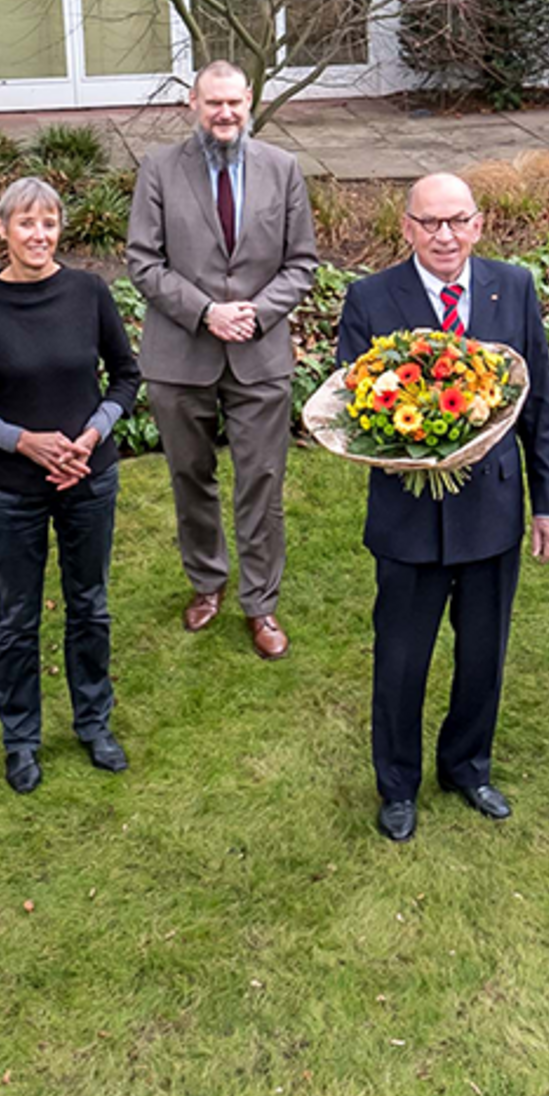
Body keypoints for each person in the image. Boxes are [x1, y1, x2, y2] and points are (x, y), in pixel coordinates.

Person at [336, 173, 549, 843]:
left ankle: (467, 764)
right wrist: (406, 445)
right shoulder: (371, 298)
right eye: (429, 222)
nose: (444, 236)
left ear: (478, 223)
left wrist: (548, 504)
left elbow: (541, 406)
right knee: (402, 659)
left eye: (456, 221)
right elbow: (353, 406)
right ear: (406, 227)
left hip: (492, 514)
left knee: (483, 655)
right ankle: (398, 784)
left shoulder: (513, 287)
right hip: (408, 520)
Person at [0, 177, 142, 796]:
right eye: (25, 223)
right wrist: (23, 441)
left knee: (90, 605)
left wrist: (91, 434)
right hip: (12, 487)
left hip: (87, 477)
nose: (39, 235)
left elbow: (127, 377)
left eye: (49, 223)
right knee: (17, 616)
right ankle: (21, 739)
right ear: (1, 229)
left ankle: (93, 722)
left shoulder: (88, 292)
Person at [127, 62, 318, 660]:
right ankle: (206, 582)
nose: (225, 114)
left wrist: (255, 312)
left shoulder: (283, 170)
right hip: (180, 354)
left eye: (234, 102)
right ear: (193, 103)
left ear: (249, 100)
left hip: (260, 356)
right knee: (191, 477)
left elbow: (302, 264)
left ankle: (261, 603)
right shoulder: (158, 170)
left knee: (261, 482)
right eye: (214, 103)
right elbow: (144, 261)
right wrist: (206, 311)